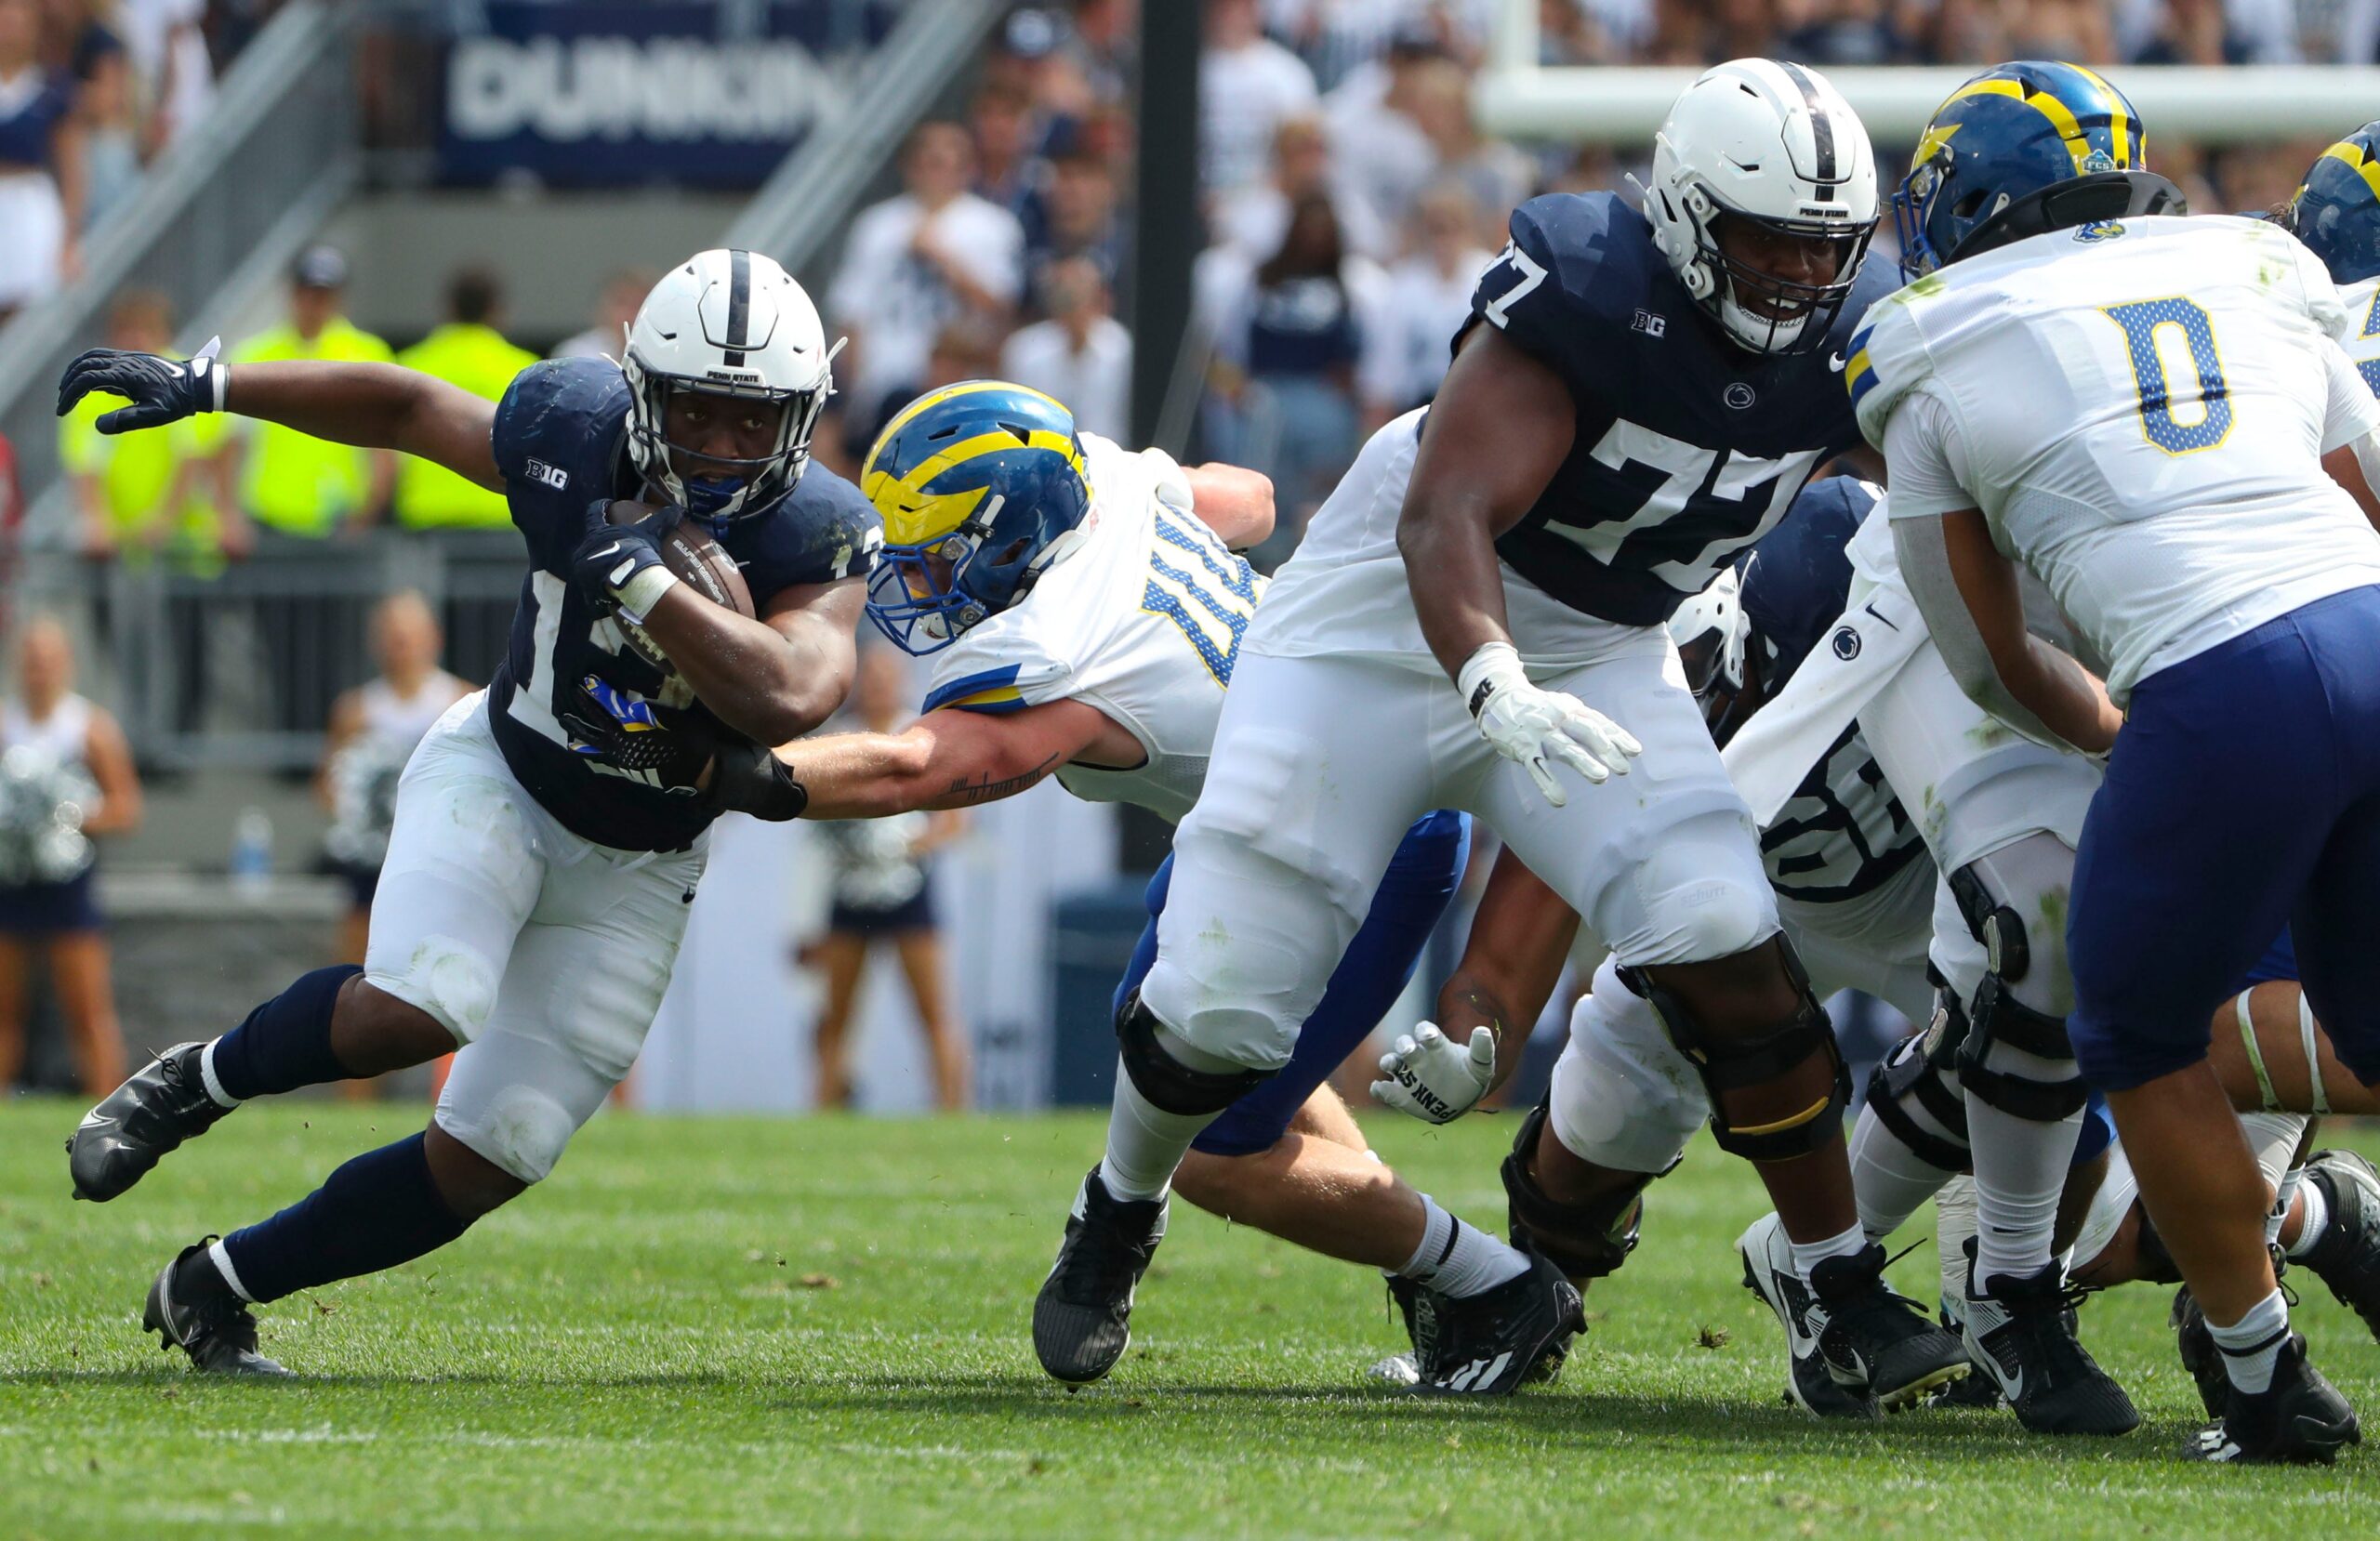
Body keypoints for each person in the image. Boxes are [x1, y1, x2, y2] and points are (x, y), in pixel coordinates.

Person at [1029, 59, 1972, 1407]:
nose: (1793, 275)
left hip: (1597, 648)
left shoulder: (1854, 334)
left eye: (1823, 248)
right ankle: (1119, 1205)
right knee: (1222, 1002)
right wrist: (1487, 678)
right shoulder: (1592, 288)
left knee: (1721, 932)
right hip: (1377, 632)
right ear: (1690, 215)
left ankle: (1834, 1290)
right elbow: (1443, 514)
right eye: (1766, 239)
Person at [58, 248, 874, 1376]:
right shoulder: (573, 430)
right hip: (503, 770)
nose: (724, 446)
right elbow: (403, 404)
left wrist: (638, 578)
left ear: (799, 415)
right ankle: (192, 1081)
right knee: (422, 1002)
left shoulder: (818, 528)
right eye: (697, 409)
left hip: (641, 861)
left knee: (500, 1149)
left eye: (753, 419)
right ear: (643, 391)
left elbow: (794, 690)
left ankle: (217, 1281)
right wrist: (212, 387)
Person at [768, 382, 1553, 1392]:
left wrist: (731, 778)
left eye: (939, 552)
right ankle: (1430, 1274)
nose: (917, 581)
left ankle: (1491, 1281)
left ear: (1012, 533)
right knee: (1163, 1045)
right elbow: (1254, 502)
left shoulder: (1052, 644)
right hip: (1270, 804)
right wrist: (1159, 485)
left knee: (1214, 1146)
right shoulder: (1101, 484)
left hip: (1355, 833)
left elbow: (917, 769)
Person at [1859, 61, 2380, 1463]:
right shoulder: (2254, 265)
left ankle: (2268, 1379)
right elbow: (2371, 492)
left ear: (1963, 206)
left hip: (2222, 676)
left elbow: (1986, 661)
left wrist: (2117, 728)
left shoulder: (1928, 348)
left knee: (2137, 1029)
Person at [227, 245, 398, 738]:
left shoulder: (366, 354)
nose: (314, 303)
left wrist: (365, 514)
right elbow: (231, 446)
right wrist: (230, 514)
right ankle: (291, 739)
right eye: (307, 292)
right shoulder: (259, 354)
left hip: (336, 524)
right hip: (275, 518)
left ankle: (325, 741)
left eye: (324, 294)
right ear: (293, 294)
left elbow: (384, 450)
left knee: (335, 639)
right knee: (278, 641)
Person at [59, 289, 244, 737]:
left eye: (145, 330)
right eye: (127, 331)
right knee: (123, 652)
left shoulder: (183, 376)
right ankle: (137, 738)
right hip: (122, 550)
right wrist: (98, 520)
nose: (136, 340)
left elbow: (196, 455)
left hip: (182, 549)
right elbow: (86, 463)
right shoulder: (99, 388)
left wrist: (168, 519)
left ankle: (178, 743)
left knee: (188, 653)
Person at [804, 645, 971, 1113]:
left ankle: (953, 1115)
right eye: (870, 678)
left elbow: (955, 822)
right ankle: (822, 1110)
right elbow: (810, 814)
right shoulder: (840, 738)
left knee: (933, 1011)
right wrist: (849, 844)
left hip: (909, 888)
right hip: (851, 888)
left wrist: (906, 845)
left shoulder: (921, 736)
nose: (877, 687)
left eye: (885, 677)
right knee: (836, 1014)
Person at [826, 122, 1025, 457]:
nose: (937, 173)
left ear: (969, 168)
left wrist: (947, 263)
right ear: (909, 166)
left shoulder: (994, 226)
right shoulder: (877, 225)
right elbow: (852, 314)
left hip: (955, 381)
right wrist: (853, 395)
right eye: (929, 162)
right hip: (882, 379)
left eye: (948, 163)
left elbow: (1002, 310)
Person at [0, 616, 139, 1095]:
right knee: (4, 1010)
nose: (39, 670)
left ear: (67, 665)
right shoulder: (4, 724)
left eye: (48, 660)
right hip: (9, 879)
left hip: (67, 884)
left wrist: (65, 815)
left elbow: (126, 807)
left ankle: (108, 1114)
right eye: (31, 660)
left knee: (88, 1010)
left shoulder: (89, 728)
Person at [317, 589, 471, 969]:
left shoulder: (462, 703)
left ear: (433, 638)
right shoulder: (355, 712)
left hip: (442, 857)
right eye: (390, 635)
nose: (399, 645)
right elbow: (328, 785)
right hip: (374, 862)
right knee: (356, 958)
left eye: (407, 635)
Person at [392, 267, 539, 531]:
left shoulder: (411, 366)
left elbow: (388, 455)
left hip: (429, 514)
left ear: (449, 308)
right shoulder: (526, 371)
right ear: (496, 310)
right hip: (499, 513)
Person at [0, 0, 84, 323]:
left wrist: (70, 238)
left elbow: (73, 168)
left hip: (28, 206)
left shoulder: (51, 87)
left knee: (27, 311)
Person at [999, 256, 1130, 442]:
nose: (1077, 309)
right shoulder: (1024, 350)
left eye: (1083, 298)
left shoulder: (1120, 347)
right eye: (1068, 299)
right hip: (1045, 459)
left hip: (1113, 457)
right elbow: (1015, 420)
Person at [554, 267, 655, 362]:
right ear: (602, 308)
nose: (628, 314)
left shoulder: (661, 355)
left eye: (638, 304)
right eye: (621, 303)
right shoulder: (574, 355)